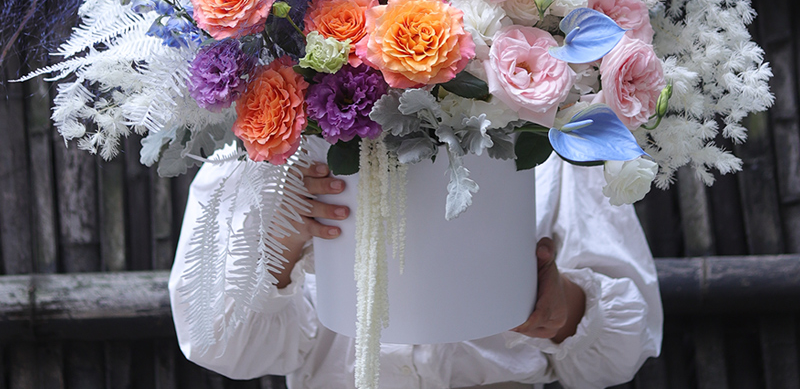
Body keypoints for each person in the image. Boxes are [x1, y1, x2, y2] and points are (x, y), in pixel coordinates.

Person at [170, 151, 663, 389]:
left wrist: (564, 310)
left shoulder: (548, 143)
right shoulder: (264, 156)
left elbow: (626, 347)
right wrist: (279, 245)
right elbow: (220, 346)